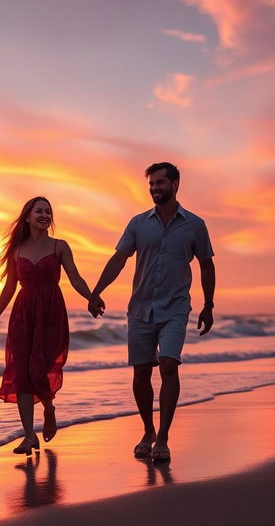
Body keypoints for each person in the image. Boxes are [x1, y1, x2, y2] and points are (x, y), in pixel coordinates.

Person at [88, 162, 215, 461]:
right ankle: (148, 430)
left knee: (169, 365)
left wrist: (209, 305)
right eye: (151, 184)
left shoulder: (195, 224)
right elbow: (119, 258)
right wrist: (96, 291)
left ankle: (164, 437)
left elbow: (206, 264)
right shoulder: (137, 223)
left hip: (175, 308)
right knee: (142, 370)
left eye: (160, 183)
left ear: (175, 185)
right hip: (141, 308)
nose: (155, 189)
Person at [0, 197, 94, 456]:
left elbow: (75, 278)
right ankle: (28, 436)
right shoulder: (17, 250)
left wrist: (91, 298)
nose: (45, 215)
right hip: (23, 315)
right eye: (39, 211)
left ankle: (49, 409)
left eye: (48, 212)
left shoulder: (59, 246)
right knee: (22, 372)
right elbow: (10, 288)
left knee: (39, 369)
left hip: (51, 313)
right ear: (27, 216)